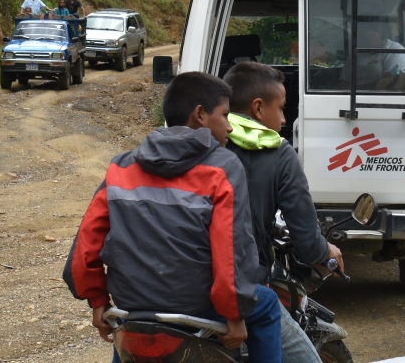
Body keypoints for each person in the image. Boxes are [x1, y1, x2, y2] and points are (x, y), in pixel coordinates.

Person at [64, 72, 284, 363]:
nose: (230, 127)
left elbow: (85, 247)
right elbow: (232, 248)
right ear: (201, 115)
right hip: (195, 306)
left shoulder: (120, 167)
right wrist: (235, 314)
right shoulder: (223, 167)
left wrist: (97, 301)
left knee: (131, 336)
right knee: (268, 306)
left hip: (132, 306)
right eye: (225, 115)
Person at [223, 61, 343, 363]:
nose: (284, 118)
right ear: (258, 108)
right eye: (281, 108)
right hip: (241, 288)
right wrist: (325, 250)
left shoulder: (207, 140)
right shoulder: (278, 152)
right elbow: (305, 238)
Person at [338, 22, 405, 90]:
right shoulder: (357, 52)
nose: (361, 41)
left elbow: (386, 84)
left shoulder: (395, 51)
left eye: (364, 37)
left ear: (379, 31)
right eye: (359, 38)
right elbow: (343, 82)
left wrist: (355, 89)